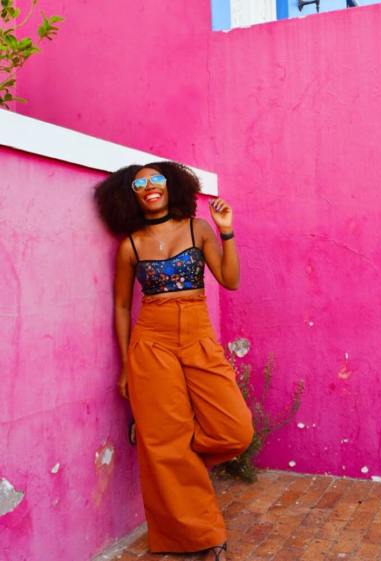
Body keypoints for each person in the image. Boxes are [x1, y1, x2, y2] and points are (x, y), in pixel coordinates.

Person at [94, 161, 253, 561]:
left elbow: (230, 280)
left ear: (170, 185)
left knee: (236, 430)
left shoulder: (198, 229)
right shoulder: (130, 246)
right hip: (151, 340)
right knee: (166, 442)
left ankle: (168, 445)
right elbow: (120, 306)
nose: (149, 186)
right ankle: (206, 537)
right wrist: (126, 365)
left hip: (197, 334)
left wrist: (226, 230)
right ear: (130, 196)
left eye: (156, 178)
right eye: (139, 183)